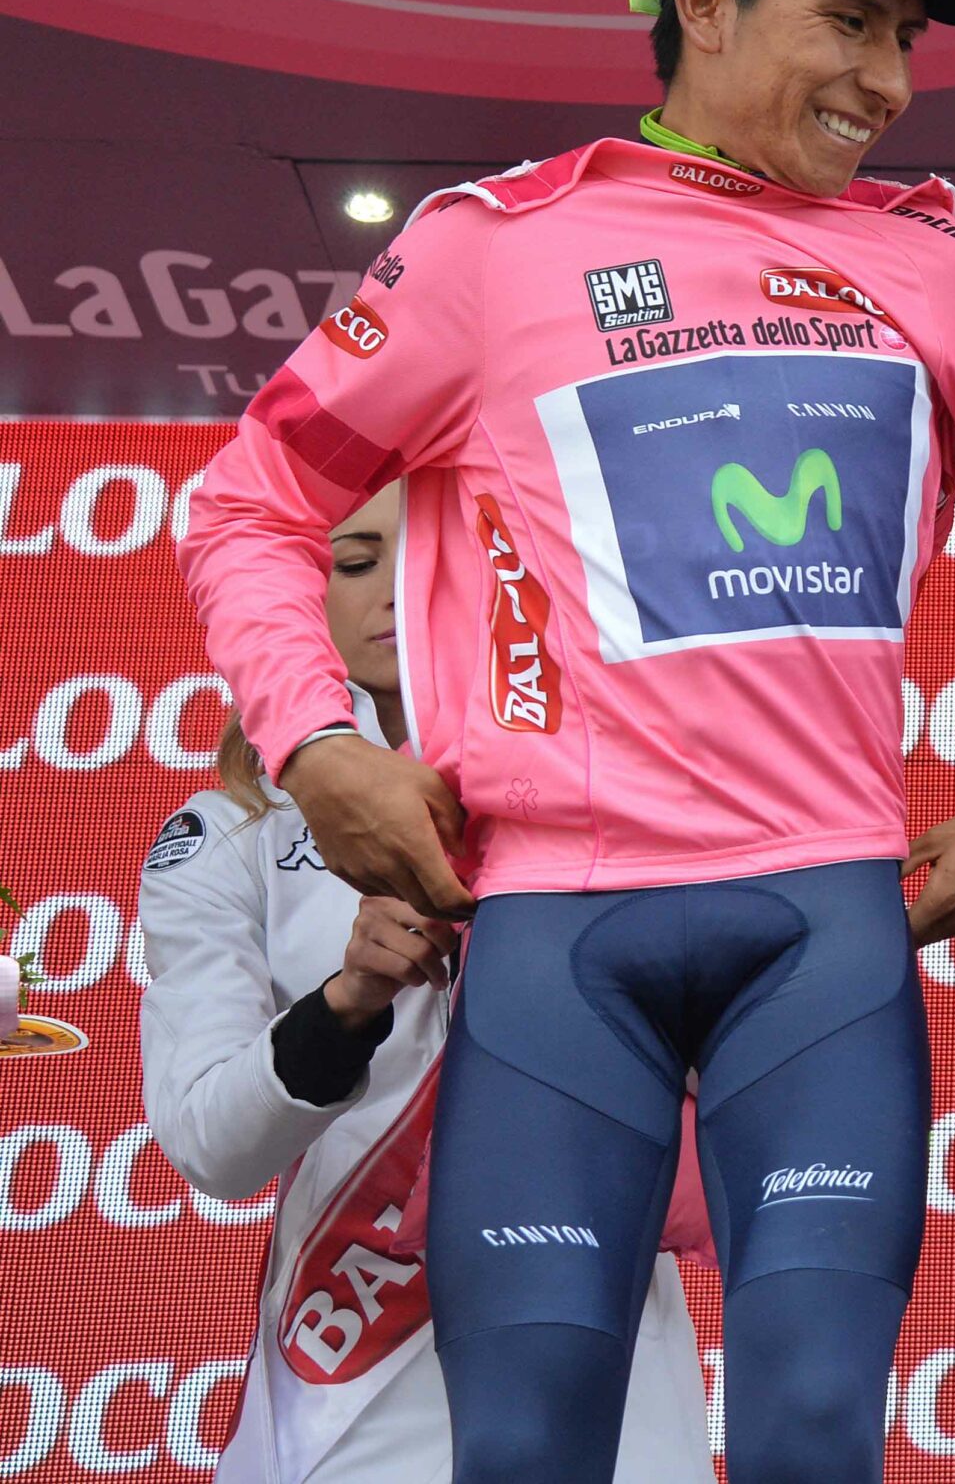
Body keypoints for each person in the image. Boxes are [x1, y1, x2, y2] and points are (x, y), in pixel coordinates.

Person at [174, 0, 955, 1483]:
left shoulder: (945, 269)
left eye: (908, 37)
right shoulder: (495, 248)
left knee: (813, 1438)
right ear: (705, 1)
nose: (888, 80)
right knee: (523, 1450)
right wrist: (318, 746)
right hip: (558, 927)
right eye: (847, 21)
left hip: (822, 929)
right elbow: (247, 503)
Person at [140, 486, 713, 1484]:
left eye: (434, 554)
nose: (399, 590)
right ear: (293, 594)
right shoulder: (231, 835)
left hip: (610, 1363)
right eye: (358, 562)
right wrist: (348, 1003)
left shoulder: (617, 790)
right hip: (354, 1390)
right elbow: (212, 1145)